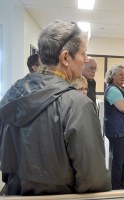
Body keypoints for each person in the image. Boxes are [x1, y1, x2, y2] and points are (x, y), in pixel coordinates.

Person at [0, 20, 111, 195]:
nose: (86, 59)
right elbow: (93, 180)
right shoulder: (77, 104)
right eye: (83, 53)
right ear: (66, 57)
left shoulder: (10, 95)